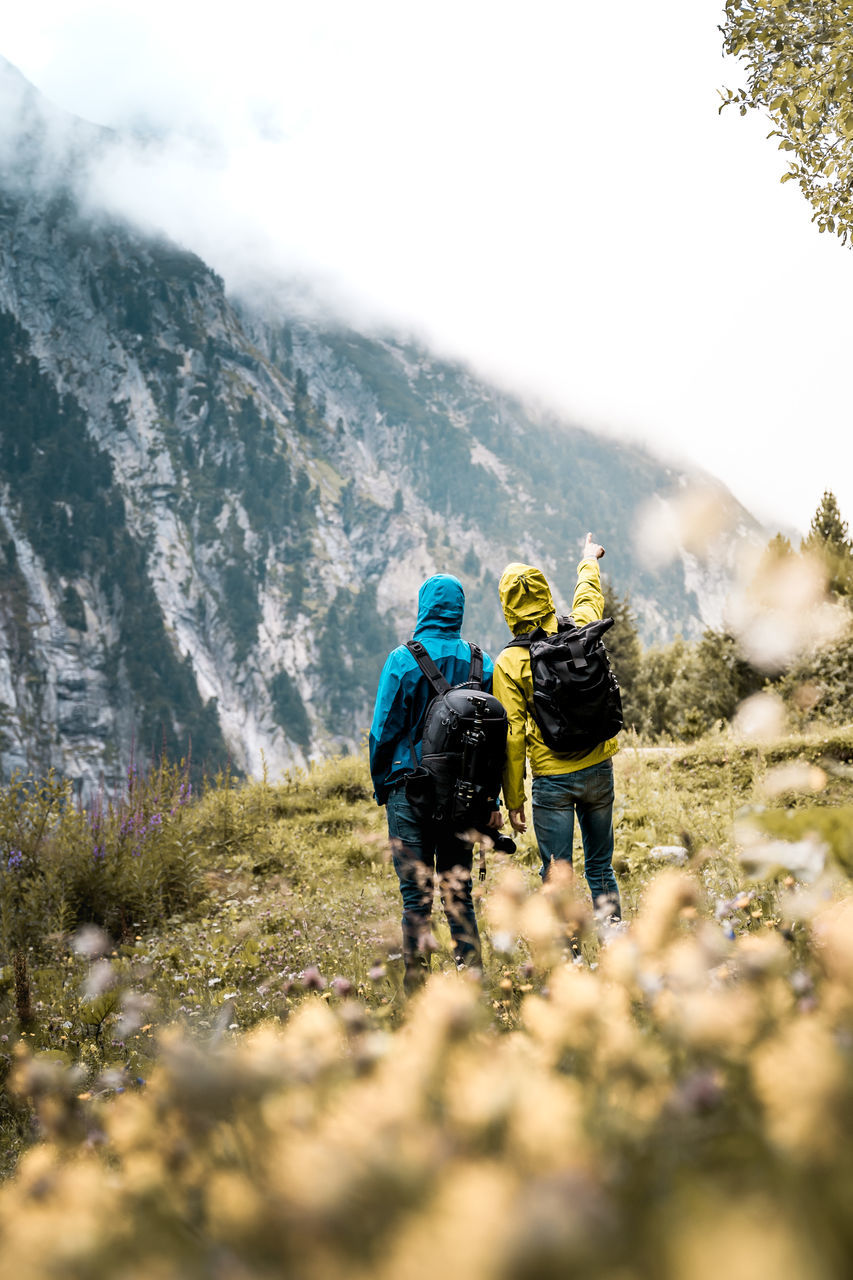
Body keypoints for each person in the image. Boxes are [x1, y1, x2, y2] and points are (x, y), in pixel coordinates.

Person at [369, 574, 502, 989]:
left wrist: (382, 785)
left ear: (424, 606)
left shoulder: (402, 660)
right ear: (459, 608)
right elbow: (496, 740)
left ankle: (418, 994)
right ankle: (474, 984)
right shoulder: (483, 662)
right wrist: (490, 800)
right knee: (458, 896)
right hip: (465, 798)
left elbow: (382, 733)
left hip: (410, 793)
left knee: (417, 901)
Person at [491, 534, 621, 918]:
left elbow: (512, 738)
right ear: (546, 593)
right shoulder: (579, 627)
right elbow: (588, 597)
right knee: (600, 868)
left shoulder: (510, 663)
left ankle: (572, 966)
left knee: (556, 878)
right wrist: (588, 558)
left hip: (552, 780)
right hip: (598, 768)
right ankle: (615, 948)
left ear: (507, 607)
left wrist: (513, 799)